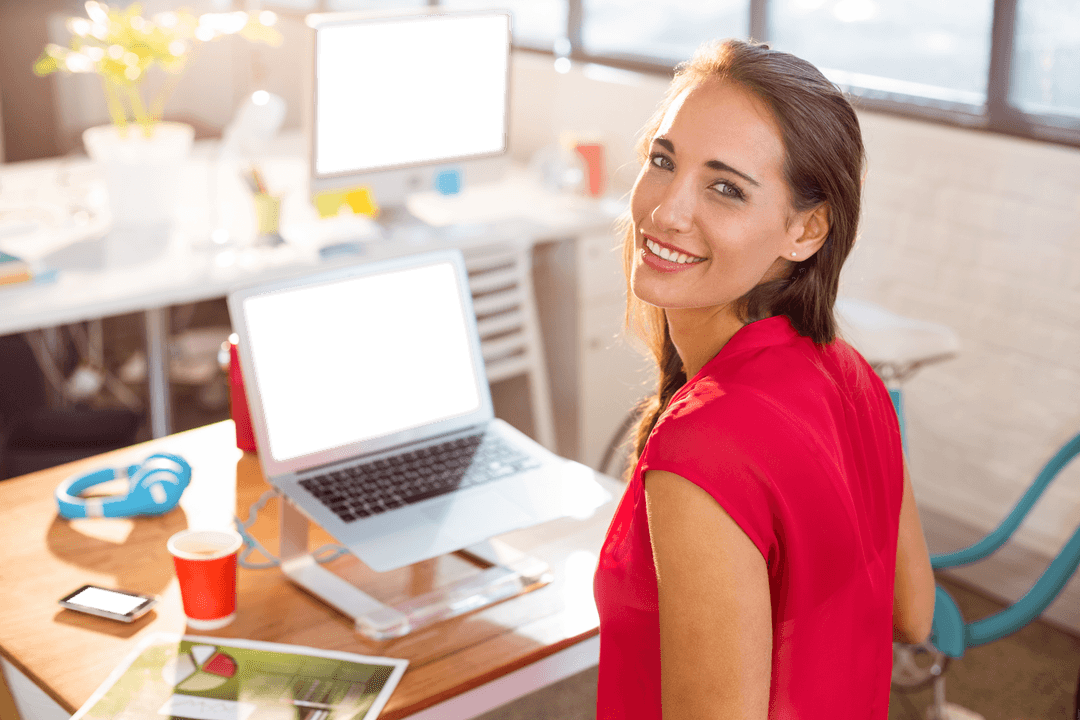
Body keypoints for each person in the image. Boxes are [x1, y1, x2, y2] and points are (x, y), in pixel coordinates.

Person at [592, 38, 937, 719]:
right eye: (663, 161)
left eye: (725, 188)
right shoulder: (847, 371)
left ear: (805, 231)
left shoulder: (699, 453)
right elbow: (914, 614)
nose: (666, 211)